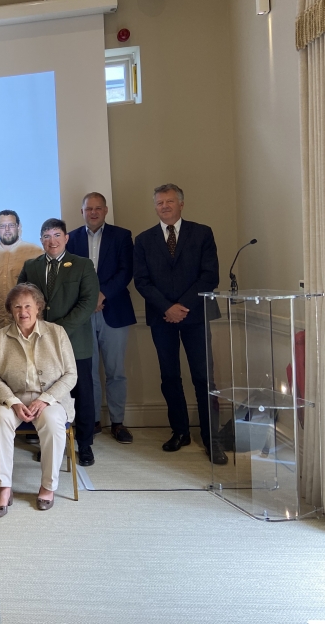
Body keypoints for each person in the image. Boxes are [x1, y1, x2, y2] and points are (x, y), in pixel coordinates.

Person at [133, 183, 225, 464]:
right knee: (170, 377)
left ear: (181, 204)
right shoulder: (144, 240)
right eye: (159, 202)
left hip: (195, 315)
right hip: (162, 318)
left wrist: (182, 307)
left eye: (170, 201)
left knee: (203, 378)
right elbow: (142, 281)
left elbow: (210, 276)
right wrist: (167, 308)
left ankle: (212, 438)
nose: (164, 206)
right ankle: (180, 431)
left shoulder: (202, 233)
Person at [0, 284, 76, 516]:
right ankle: (3, 488)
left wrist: (45, 399)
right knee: (0, 418)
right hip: (13, 398)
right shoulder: (0, 337)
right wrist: (13, 402)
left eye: (28, 306)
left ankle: (48, 487)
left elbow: (71, 375)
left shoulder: (57, 333)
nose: (23, 311)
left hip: (51, 399)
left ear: (38, 307)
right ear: (11, 310)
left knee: (53, 422)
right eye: (17, 307)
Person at [18, 218, 99, 467]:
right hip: (40, 343)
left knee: (82, 394)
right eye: (46, 236)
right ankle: (49, 444)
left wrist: (58, 329)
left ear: (66, 238)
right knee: (47, 394)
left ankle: (85, 445)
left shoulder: (83, 265)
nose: (52, 241)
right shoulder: (31, 266)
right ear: (41, 240)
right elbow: (22, 299)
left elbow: (88, 301)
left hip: (75, 342)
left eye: (56, 235)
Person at [66, 193, 137, 444]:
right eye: (89, 209)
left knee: (116, 372)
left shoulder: (122, 236)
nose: (93, 212)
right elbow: (70, 276)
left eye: (98, 208)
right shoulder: (71, 238)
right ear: (82, 211)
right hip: (83, 314)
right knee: (88, 372)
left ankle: (118, 422)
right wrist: (90, 299)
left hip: (114, 311)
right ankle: (92, 420)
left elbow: (126, 271)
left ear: (106, 210)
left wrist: (102, 294)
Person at [0, 210, 44, 333]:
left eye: (11, 225)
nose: (7, 229)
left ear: (18, 226)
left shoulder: (35, 252)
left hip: (26, 325)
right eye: (2, 226)